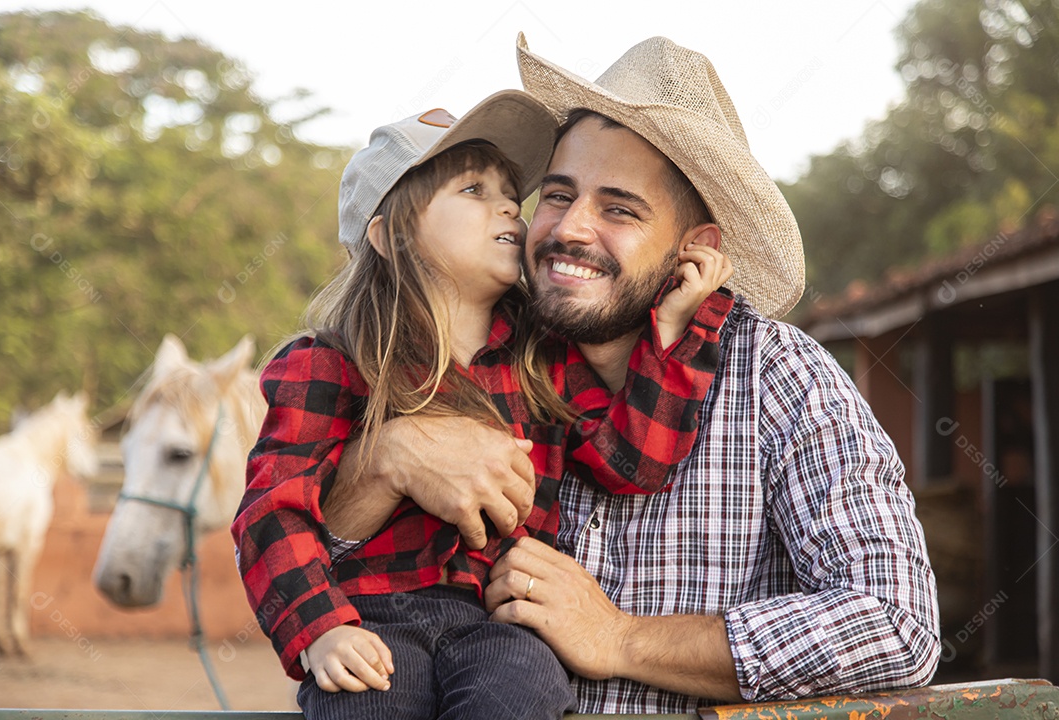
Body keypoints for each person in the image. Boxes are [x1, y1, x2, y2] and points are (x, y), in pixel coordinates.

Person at [322, 35, 942, 715]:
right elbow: (313, 564)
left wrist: (620, 638)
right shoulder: (473, 351)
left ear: (694, 248)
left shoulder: (779, 377)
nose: (570, 229)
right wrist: (385, 459)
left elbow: (896, 626)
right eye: (558, 196)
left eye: (618, 209)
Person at [231, 89, 735, 720]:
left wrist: (672, 332)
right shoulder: (331, 364)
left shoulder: (542, 356)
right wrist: (319, 629)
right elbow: (272, 514)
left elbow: (630, 463)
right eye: (473, 190)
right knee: (362, 701)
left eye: (509, 192)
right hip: (370, 616)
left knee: (524, 697)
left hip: (502, 620)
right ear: (391, 235)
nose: (508, 206)